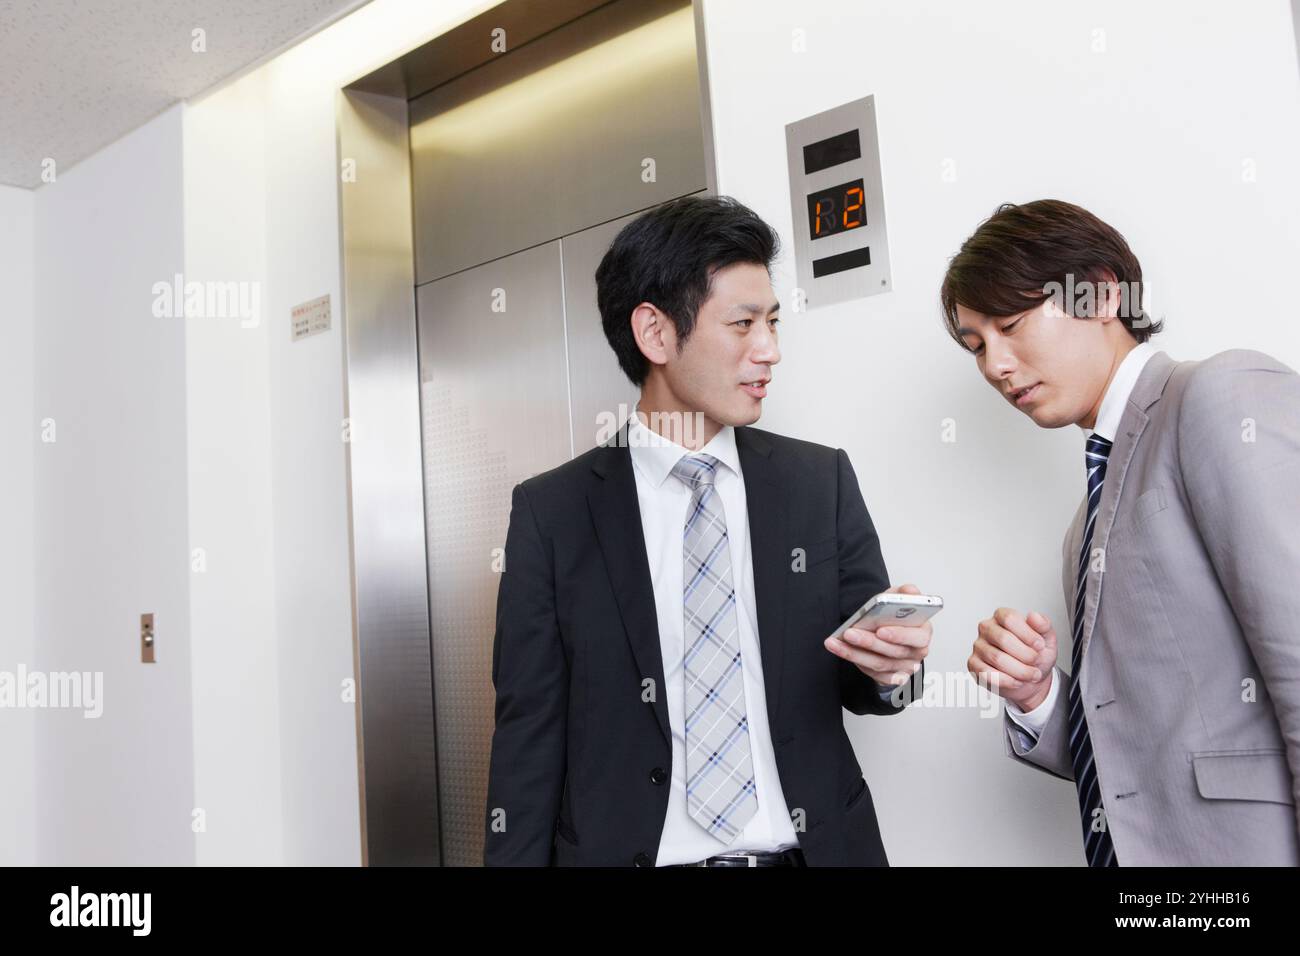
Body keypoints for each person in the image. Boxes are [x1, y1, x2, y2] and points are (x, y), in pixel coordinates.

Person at [483, 195, 931, 866]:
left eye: (774, 323)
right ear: (656, 334)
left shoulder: (819, 483)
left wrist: (897, 669)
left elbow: (870, 687)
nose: (770, 351)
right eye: (744, 324)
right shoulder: (554, 513)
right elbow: (528, 737)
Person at [949, 199, 1300, 865]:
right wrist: (1038, 696)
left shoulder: (1219, 396)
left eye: (1011, 324)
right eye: (977, 346)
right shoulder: (1084, 525)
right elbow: (1127, 763)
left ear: (1102, 294)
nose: (994, 364)